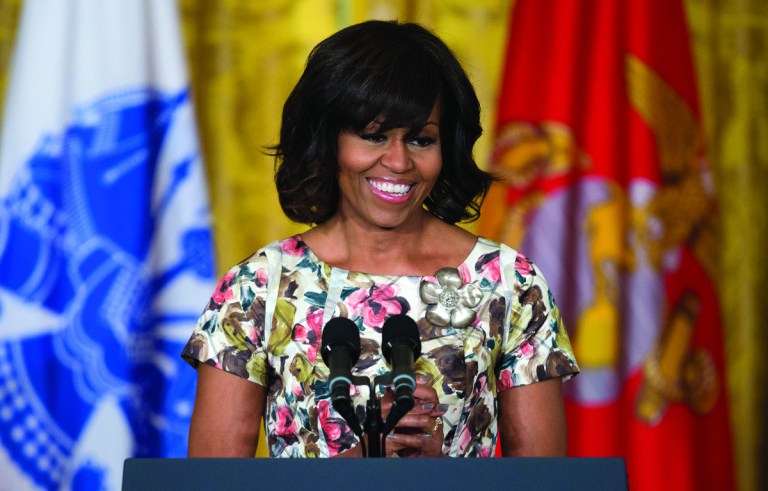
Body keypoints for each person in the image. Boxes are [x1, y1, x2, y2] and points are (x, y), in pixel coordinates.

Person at [182, 19, 579, 459]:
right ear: (327, 139)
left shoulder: (509, 283)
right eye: (374, 136)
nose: (399, 161)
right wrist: (364, 460)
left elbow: (544, 483)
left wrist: (439, 473)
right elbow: (211, 483)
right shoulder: (258, 288)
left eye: (421, 140)